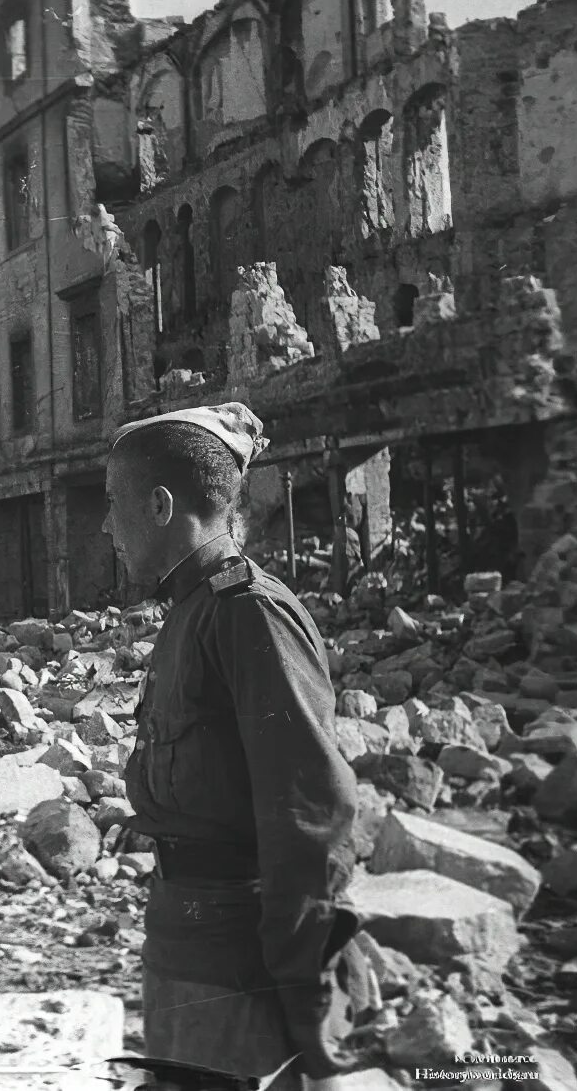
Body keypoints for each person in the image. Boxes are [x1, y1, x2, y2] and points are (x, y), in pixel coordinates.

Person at [103, 402, 364, 1090]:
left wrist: (307, 1003)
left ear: (160, 506)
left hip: (236, 964)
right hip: (187, 947)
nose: (106, 528)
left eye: (112, 505)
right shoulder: (191, 609)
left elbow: (310, 815)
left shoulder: (247, 612)